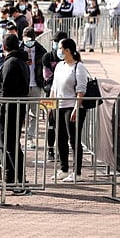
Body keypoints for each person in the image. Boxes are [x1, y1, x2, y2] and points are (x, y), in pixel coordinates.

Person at [0, 34, 30, 194]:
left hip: (10, 109)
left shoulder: (11, 63)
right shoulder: (20, 61)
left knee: (10, 145)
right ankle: (11, 178)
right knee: (10, 145)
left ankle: (16, 179)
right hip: (14, 108)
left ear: (4, 47)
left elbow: (6, 89)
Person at [50, 38, 87, 182]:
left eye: (60, 48)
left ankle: (77, 172)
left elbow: (81, 90)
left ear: (67, 50)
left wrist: (76, 108)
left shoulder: (79, 67)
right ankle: (64, 168)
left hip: (72, 107)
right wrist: (50, 106)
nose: (58, 51)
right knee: (61, 139)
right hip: (58, 106)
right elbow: (54, 87)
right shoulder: (60, 65)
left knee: (74, 139)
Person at [42, 31, 68, 161]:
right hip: (51, 94)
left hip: (67, 97)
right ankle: (50, 149)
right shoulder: (48, 57)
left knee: (63, 125)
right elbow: (47, 77)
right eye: (55, 42)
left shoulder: (71, 57)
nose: (56, 44)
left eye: (59, 42)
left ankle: (62, 149)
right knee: (51, 123)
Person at [20, 27, 47, 148]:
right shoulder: (19, 49)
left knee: (33, 113)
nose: (28, 43)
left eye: (31, 40)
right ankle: (18, 138)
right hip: (22, 85)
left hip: (36, 84)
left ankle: (30, 138)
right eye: (26, 40)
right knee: (20, 113)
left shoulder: (41, 51)